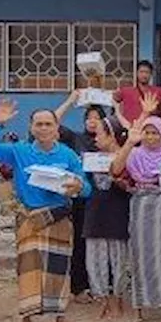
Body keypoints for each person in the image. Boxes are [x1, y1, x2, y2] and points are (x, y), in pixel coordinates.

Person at [0, 101, 89, 322]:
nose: (43, 128)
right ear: (31, 128)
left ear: (56, 128)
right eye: (38, 124)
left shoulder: (68, 154)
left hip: (58, 216)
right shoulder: (19, 150)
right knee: (28, 271)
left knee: (58, 271)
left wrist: (77, 186)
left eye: (48, 124)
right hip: (29, 217)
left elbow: (86, 188)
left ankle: (59, 318)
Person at [112, 115, 161, 322]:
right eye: (147, 132)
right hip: (141, 208)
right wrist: (129, 143)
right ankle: (138, 311)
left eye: (155, 132)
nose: (151, 137)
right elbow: (116, 170)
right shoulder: (134, 155)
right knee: (140, 256)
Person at [53, 91, 113, 305]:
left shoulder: (110, 141)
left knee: (107, 244)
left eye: (97, 118)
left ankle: (108, 286)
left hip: (108, 200)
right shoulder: (75, 138)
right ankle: (80, 287)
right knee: (80, 243)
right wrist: (70, 101)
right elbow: (53, 122)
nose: (92, 122)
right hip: (82, 200)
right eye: (88, 118)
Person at [83, 116, 132, 320]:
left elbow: (131, 185)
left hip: (118, 210)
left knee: (118, 258)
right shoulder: (91, 158)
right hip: (95, 212)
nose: (95, 139)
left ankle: (118, 299)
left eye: (99, 134)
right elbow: (85, 185)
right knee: (96, 257)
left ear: (111, 135)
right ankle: (101, 300)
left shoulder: (127, 156)